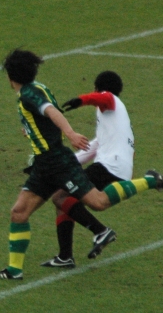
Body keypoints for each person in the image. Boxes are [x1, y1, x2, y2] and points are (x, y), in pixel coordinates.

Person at [0, 49, 163, 280]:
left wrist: (70, 132)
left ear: (10, 77)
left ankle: (148, 183)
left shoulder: (30, 94)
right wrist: (32, 132)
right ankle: (15, 270)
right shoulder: (37, 88)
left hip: (57, 162)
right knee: (19, 212)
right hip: (44, 165)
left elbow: (50, 112)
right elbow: (46, 118)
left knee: (97, 202)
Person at [41, 71, 136, 268]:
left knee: (60, 197)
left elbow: (104, 96)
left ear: (97, 89)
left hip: (109, 166)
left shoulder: (111, 102)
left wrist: (81, 100)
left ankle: (101, 231)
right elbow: (94, 147)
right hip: (115, 167)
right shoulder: (114, 116)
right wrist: (64, 165)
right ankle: (65, 257)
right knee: (65, 200)